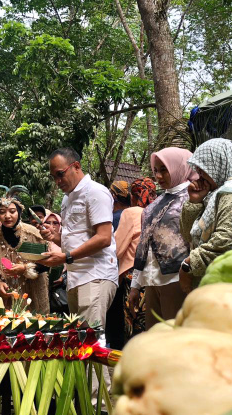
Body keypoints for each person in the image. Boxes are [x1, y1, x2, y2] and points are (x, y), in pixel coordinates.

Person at [40, 148, 118, 330]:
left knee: (90, 338)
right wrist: (54, 237)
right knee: (78, 338)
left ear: (76, 166)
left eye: (60, 174)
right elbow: (75, 240)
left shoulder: (96, 192)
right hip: (75, 278)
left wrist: (66, 257)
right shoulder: (66, 199)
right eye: (54, 177)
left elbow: (104, 238)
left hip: (95, 275)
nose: (57, 181)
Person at [128, 147, 195, 329]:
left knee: (177, 338)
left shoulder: (193, 198)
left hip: (177, 280)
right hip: (152, 281)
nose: (158, 176)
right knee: (155, 337)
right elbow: (144, 246)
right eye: (156, 170)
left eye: (164, 169)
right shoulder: (155, 203)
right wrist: (135, 285)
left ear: (179, 167)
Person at [179, 139, 232, 293]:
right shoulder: (213, 195)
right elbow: (187, 235)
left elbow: (226, 240)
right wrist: (194, 201)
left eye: (203, 169)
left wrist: (189, 265)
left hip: (224, 285)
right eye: (198, 170)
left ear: (219, 163)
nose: (200, 176)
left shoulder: (231, 193)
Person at [108, 177, 157, 348]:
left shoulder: (132, 212)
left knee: (132, 321)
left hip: (132, 274)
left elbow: (118, 247)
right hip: (155, 273)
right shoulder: (158, 209)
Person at [0, 197, 50, 314]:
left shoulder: (33, 234)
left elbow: (47, 263)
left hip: (34, 293)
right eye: (2, 212)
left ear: (19, 213)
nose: (7, 216)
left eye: (12, 211)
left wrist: (25, 268)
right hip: (7, 298)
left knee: (37, 323)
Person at [42, 213, 69, 314]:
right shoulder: (40, 241)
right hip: (42, 287)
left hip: (61, 290)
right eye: (48, 223)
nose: (51, 226)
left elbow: (74, 260)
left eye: (55, 223)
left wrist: (63, 277)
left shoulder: (66, 243)